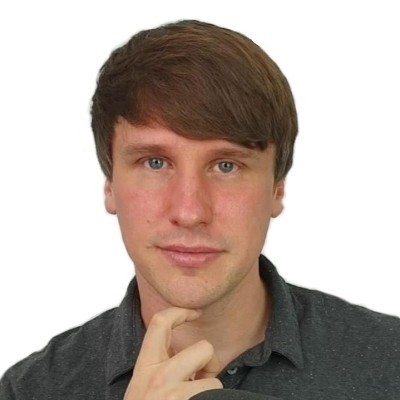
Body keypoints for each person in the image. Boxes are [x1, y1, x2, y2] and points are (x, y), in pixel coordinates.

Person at [1, 19, 399, 400]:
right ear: (110, 185)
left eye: (226, 166)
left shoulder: (390, 364)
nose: (190, 212)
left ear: (277, 189)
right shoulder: (30, 391)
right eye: (155, 163)